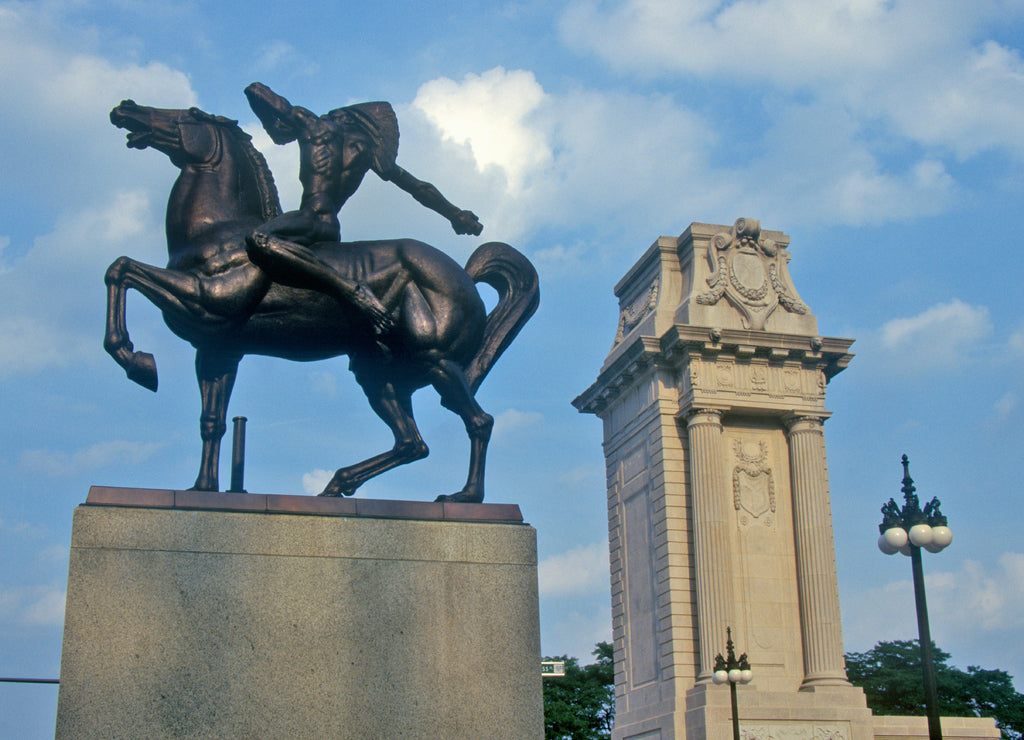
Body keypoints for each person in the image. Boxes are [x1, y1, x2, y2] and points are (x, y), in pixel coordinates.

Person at [244, 82, 483, 334]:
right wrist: (456, 214)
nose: (328, 115)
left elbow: (256, 91)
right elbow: (420, 189)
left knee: (257, 237)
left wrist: (270, 120)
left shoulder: (316, 128)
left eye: (333, 114)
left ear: (342, 117)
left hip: (309, 216)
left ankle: (350, 289)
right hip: (331, 228)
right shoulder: (367, 152)